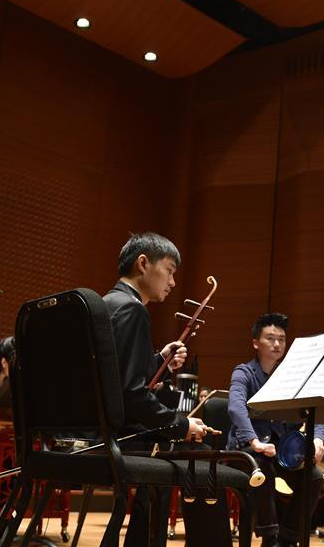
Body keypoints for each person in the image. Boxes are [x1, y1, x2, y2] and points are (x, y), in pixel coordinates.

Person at [103, 232, 210, 547]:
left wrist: (158, 359)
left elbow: (112, 375)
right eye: (170, 270)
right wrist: (181, 424)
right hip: (111, 438)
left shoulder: (106, 303)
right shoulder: (133, 310)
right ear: (143, 263)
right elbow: (132, 396)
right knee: (201, 457)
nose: (173, 282)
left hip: (88, 431)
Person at [227, 313, 324, 547]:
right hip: (247, 451)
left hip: (282, 454)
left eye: (282, 339)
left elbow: (317, 408)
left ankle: (287, 539)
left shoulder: (291, 377)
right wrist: (254, 441)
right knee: (262, 466)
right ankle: (270, 537)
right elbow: (235, 407)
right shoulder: (243, 373)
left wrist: (318, 439)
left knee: (314, 477)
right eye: (270, 338)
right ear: (255, 343)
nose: (277, 344)